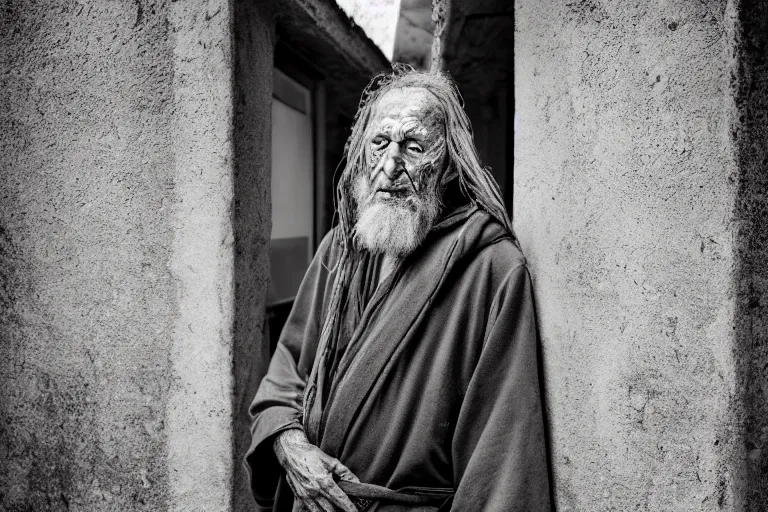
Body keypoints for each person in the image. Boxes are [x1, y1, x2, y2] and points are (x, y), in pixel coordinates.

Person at [245, 66, 551, 512]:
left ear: (447, 163)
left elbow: (501, 460)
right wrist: (290, 444)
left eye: (412, 146)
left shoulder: (493, 270)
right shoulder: (342, 250)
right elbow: (288, 369)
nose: (390, 167)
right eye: (380, 144)